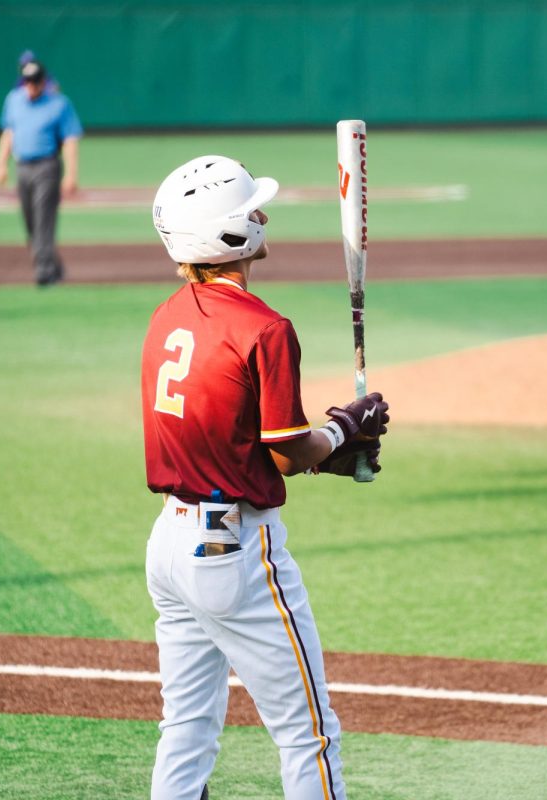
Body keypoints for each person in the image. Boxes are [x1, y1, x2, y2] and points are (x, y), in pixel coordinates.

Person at [141, 154, 390, 800]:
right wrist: (341, 428)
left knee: (187, 728)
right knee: (309, 734)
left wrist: (330, 449)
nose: (263, 215)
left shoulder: (167, 318)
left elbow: (232, 441)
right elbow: (282, 453)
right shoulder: (265, 329)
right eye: (251, 209)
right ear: (228, 234)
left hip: (170, 546)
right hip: (234, 556)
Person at [0, 59, 82, 286]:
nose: (31, 86)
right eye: (27, 82)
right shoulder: (14, 100)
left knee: (44, 218)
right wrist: (1, 164)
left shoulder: (59, 103)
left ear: (43, 82)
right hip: (22, 166)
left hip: (47, 166)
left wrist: (72, 174)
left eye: (35, 82)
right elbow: (9, 132)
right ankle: (54, 265)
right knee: (30, 221)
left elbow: (70, 139)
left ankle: (44, 271)